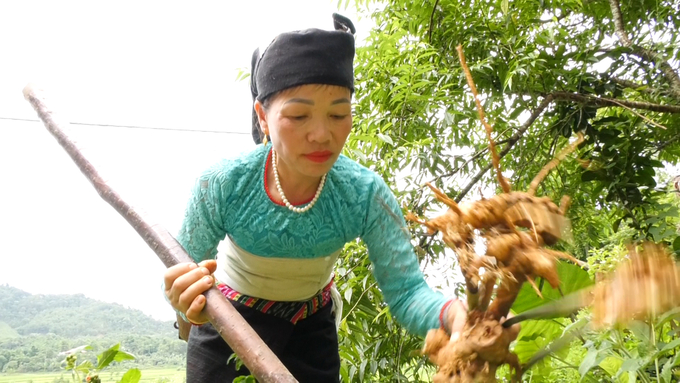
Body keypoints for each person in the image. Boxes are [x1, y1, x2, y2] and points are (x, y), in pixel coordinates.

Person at [163, 13, 505, 382]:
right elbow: (184, 275)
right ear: (263, 116)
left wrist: (455, 316)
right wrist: (187, 304)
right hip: (229, 324)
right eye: (298, 116)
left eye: (339, 114)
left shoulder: (364, 193)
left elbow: (406, 293)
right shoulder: (222, 184)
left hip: (310, 331)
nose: (322, 134)